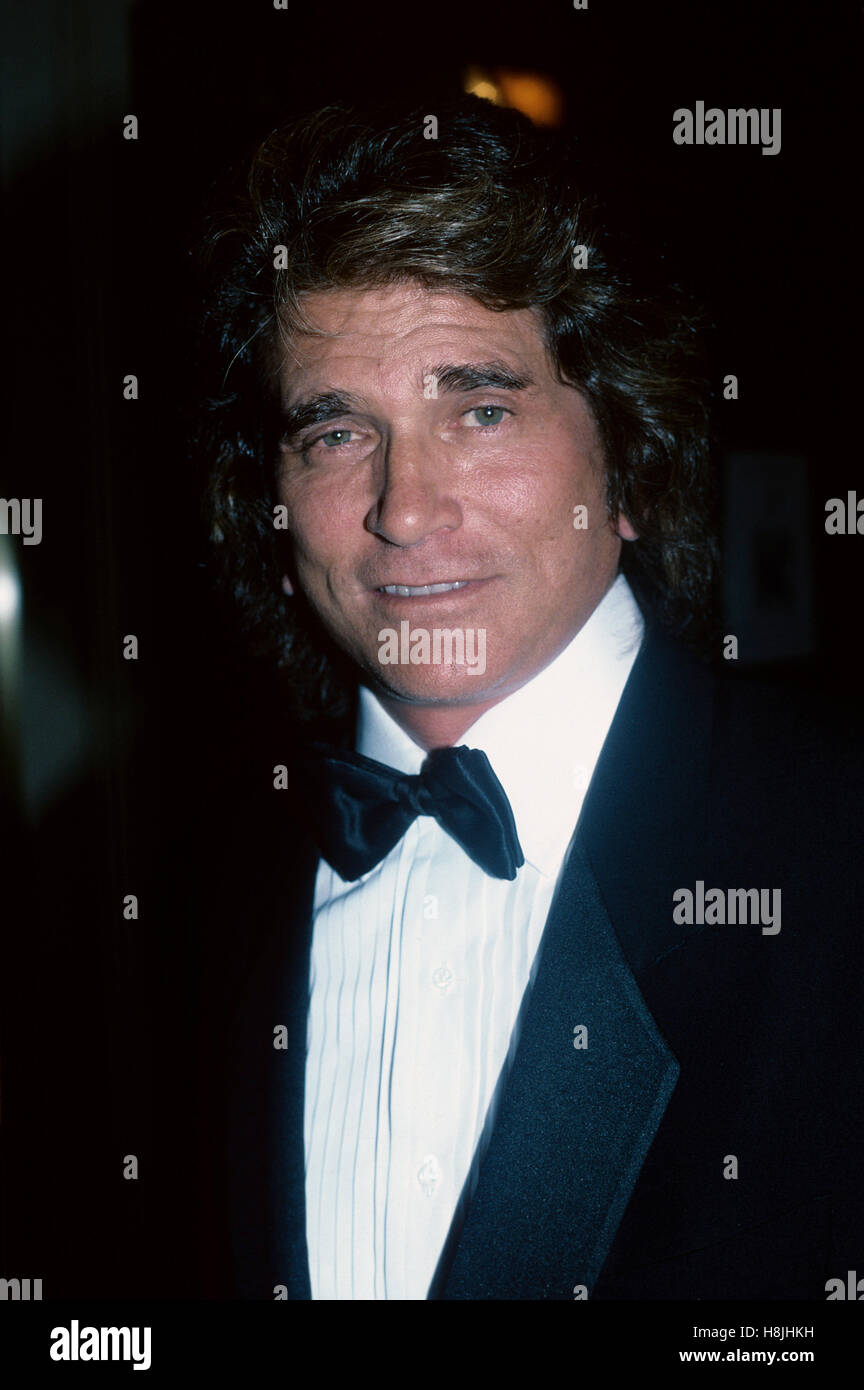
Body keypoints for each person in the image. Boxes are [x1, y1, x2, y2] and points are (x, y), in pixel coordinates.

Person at [193, 95, 863, 1300]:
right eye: (339, 432)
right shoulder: (182, 897)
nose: (406, 507)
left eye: (482, 409)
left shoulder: (837, 840)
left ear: (633, 459)